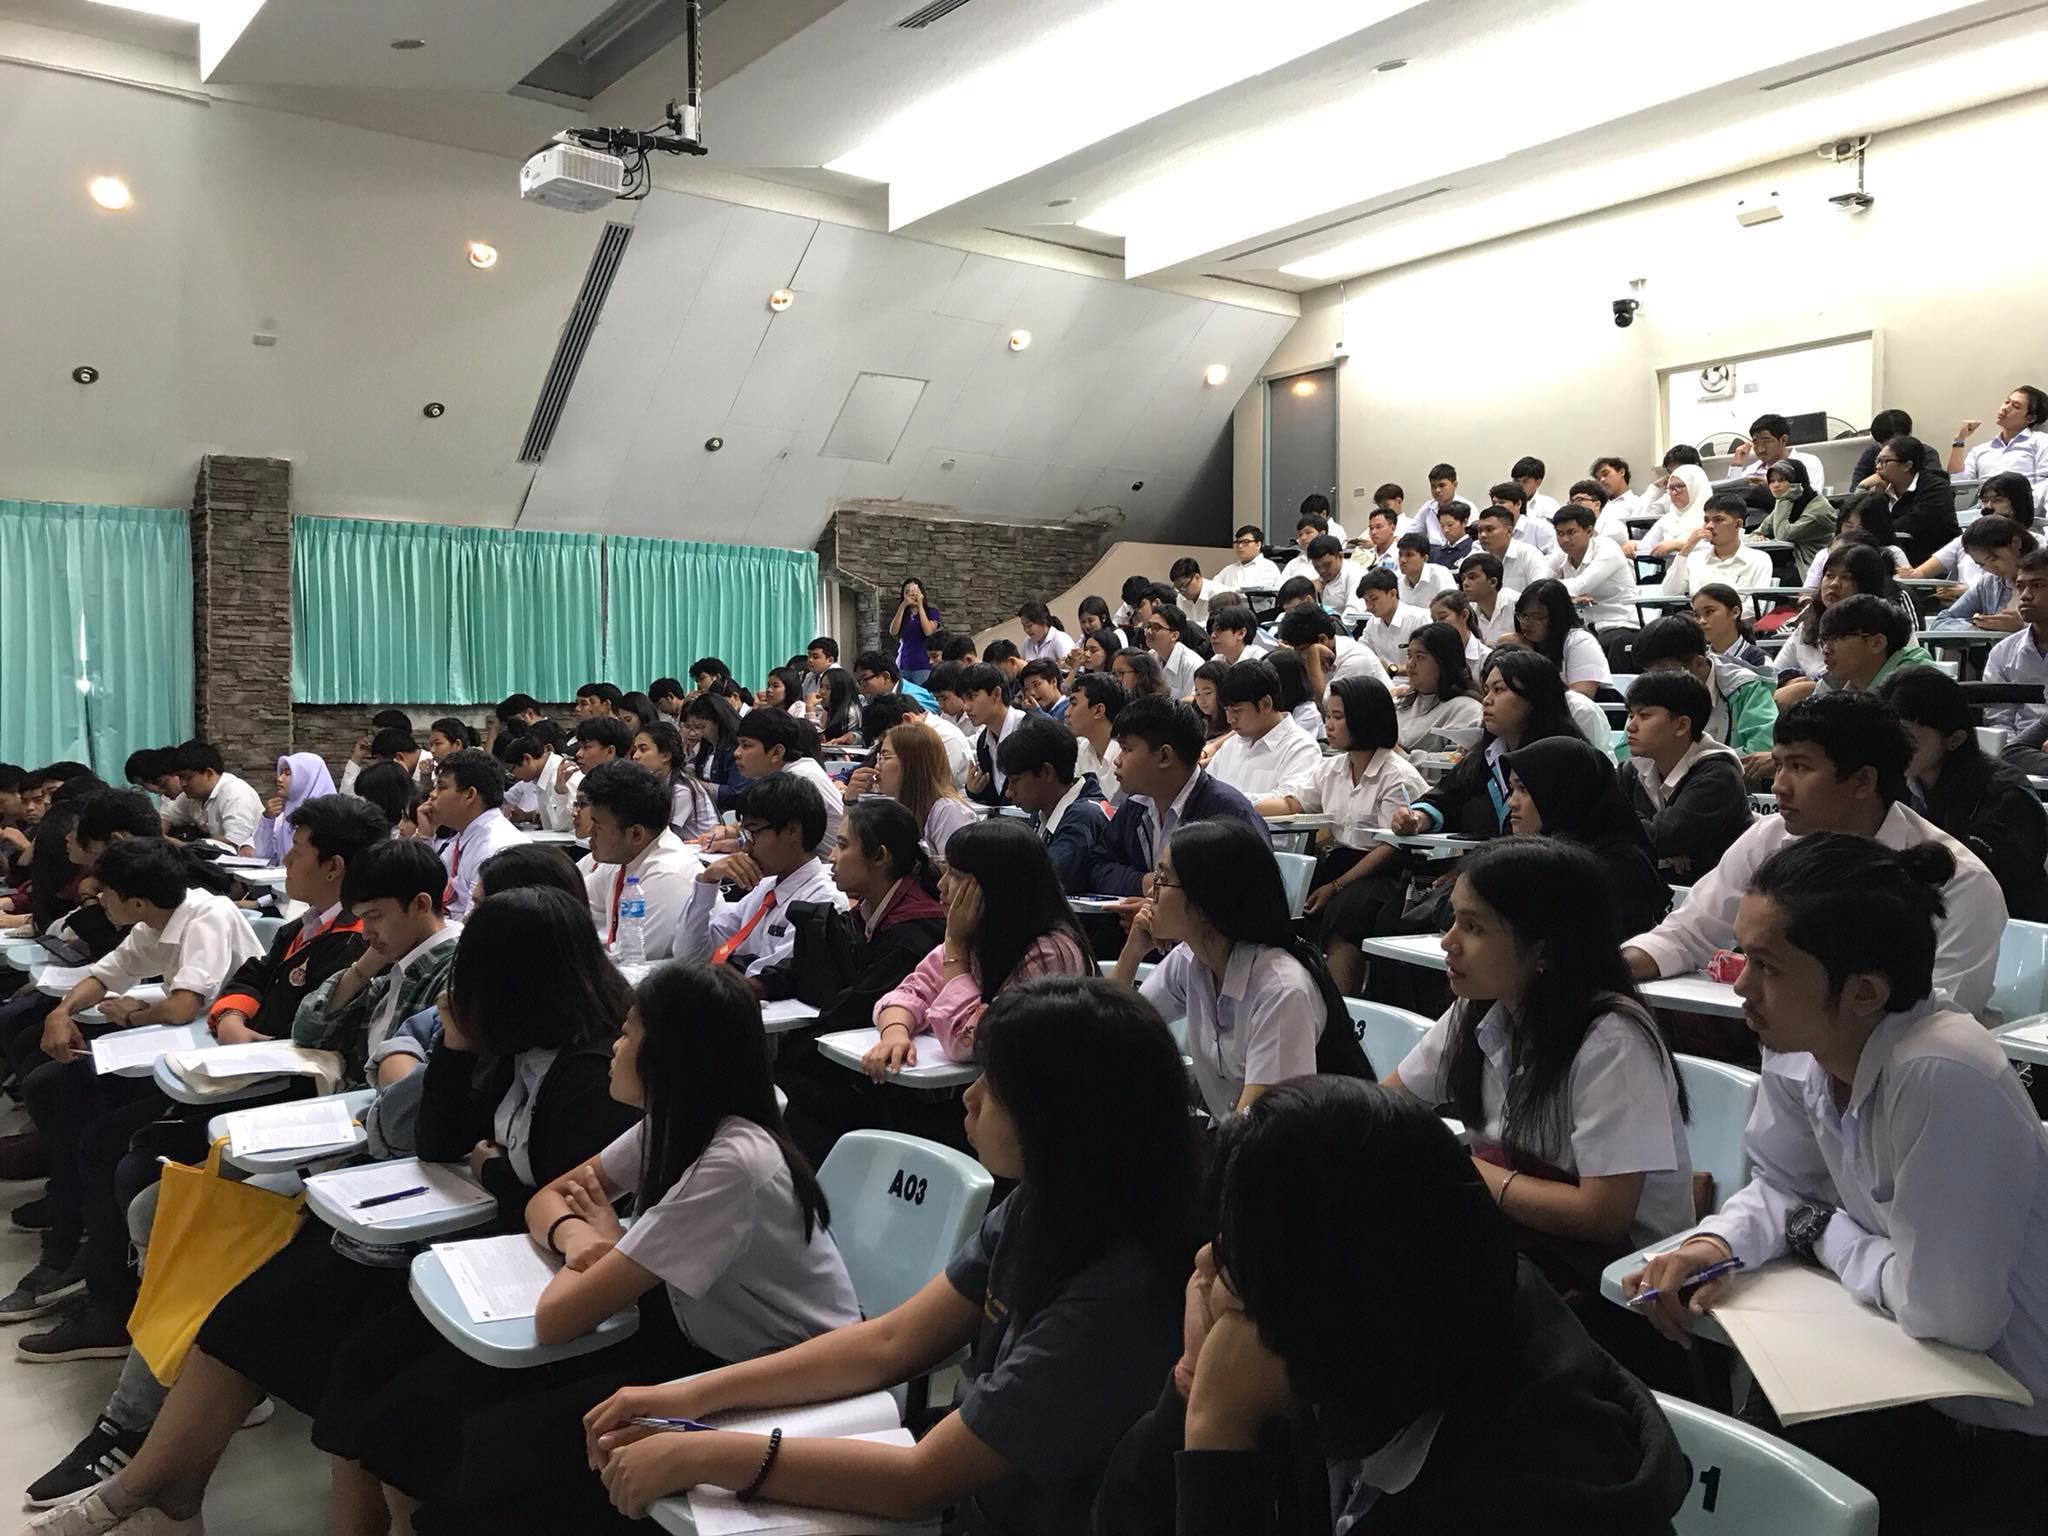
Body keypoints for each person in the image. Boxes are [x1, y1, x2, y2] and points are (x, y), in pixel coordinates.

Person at [33, 888, 638, 1536]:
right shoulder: (512, 1041)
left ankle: (148, 1485)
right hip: (450, 1229)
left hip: (507, 1268)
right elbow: (439, 1140)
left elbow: (559, 1199)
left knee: (359, 1372)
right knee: (253, 1308)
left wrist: (490, 1165)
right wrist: (457, 1049)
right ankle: (157, 1486)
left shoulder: (589, 1073)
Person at [586, 976, 1196, 1532]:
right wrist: (688, 1398)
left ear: (1064, 1118)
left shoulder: (1119, 1294)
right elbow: (890, 1342)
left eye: (995, 1086)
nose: (970, 1098)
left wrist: (702, 1453)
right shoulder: (1043, 1204)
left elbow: (921, 1483)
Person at [319, 962, 863, 1536]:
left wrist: (605, 1240)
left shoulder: (732, 1165)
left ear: (668, 1057)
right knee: (427, 1412)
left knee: (496, 1455)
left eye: (627, 1034)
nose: (614, 1047)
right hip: (704, 1345)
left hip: (779, 1385)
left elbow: (558, 1319)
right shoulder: (675, 1122)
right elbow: (551, 1197)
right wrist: (579, 1236)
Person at [1622, 834, 2048, 1534]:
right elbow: (1782, 1184)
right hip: (1895, 1371)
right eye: (1742, 956)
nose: (1739, 985)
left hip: (2004, 1419)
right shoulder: (1804, 1044)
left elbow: (1954, 1318)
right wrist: (1715, 1243)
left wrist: (1824, 1234)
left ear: (1864, 992)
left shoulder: (1942, 1073)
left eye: (1766, 966)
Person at [1092, 1076, 1690, 1535]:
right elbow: (1118, 1520)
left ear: (1332, 1298)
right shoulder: (1349, 1362)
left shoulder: (1530, 1489)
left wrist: (1217, 1433)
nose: (1206, 1264)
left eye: (1236, 1254)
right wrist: (1190, 1385)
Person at [1388, 837, 1693, 1260]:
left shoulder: (1613, 1040)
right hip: (1516, 1242)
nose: (1448, 942)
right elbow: (1390, 1105)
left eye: (1474, 927)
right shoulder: (1482, 1005)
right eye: (1453, 919)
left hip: (1612, 1274)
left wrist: (1457, 1169)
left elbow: (1603, 1216)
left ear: (1543, 949)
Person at [1622, 693, 2006, 1020]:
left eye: (1800, 767)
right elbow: (1690, 933)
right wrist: (1608, 970)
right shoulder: (1770, 836)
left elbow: (1935, 1014)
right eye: (1778, 765)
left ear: (1864, 781)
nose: (1779, 786)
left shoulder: (1961, 882)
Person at [1117, 817, 1373, 1121]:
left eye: (1162, 879)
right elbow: (1113, 1030)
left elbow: (1262, 1125)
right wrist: (1132, 953)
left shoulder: (1281, 989)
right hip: (1242, 1136)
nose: (1151, 892)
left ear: (1206, 901)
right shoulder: (1190, 959)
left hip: (1309, 1143)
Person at [864, 816, 1093, 1078]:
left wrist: (956, 949)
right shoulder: (981, 935)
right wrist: (895, 1033)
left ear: (998, 887)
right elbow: (911, 992)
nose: (941, 885)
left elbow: (968, 1041)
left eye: (956, 876)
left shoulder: (1049, 953)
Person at [1255, 676, 1425, 994]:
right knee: (1277, 900)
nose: (1328, 726)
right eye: (1327, 716)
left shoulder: (1397, 775)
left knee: (1346, 914)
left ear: (1364, 718)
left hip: (1385, 870)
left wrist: (1335, 886)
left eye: (1337, 717)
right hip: (1340, 861)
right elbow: (1294, 803)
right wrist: (1242, 804)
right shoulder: (1332, 768)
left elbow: (1391, 847)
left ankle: (1339, 1008)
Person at [1880, 666, 2048, 920]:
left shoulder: (2005, 797)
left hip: (2003, 923)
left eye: (1907, 735)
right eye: (1886, 733)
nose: (1891, 746)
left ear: (1955, 739)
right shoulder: (1895, 780)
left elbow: (1969, 881)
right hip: (1928, 917)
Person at [1390, 649, 1580, 842]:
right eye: (1486, 691)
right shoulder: (1488, 754)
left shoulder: (1566, 760)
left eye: (1499, 690)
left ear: (1534, 697)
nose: (1487, 700)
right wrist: (1417, 818)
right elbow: (1447, 797)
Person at [1089, 697, 1268, 897]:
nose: (1117, 760)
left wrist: (1163, 905)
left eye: (1126, 749)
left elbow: (1254, 897)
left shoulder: (1229, 813)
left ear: (1164, 756)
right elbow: (1098, 866)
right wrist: (1144, 884)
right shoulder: (1135, 805)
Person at [677, 773, 846, 981]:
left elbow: (765, 981)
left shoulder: (823, 901)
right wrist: (707, 882)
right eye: (744, 836)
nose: (746, 848)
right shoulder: (764, 888)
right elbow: (689, 955)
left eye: (753, 833)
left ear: (793, 831)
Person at [1503, 739, 1671, 939]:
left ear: (1563, 792)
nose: (1512, 802)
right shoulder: (1540, 857)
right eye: (1512, 789)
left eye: (1524, 789)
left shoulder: (1615, 870)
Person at [1618, 670, 1754, 881]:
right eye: (1630, 715)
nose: (1631, 726)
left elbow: (1663, 838)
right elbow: (1601, 820)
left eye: (1644, 716)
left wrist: (1658, 844)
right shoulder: (1633, 769)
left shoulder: (1718, 776)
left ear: (1682, 725)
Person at [578, 760, 704, 960]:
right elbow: (576, 906)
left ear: (636, 834)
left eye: (597, 825)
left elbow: (631, 962)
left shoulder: (668, 876)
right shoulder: (622, 857)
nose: (589, 832)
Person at [1630, 613, 1777, 766]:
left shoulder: (1745, 688)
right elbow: (1627, 751)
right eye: (1649, 672)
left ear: (1699, 663)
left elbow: (1761, 750)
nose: (1656, 681)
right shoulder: (1652, 684)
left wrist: (1695, 767)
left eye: (1665, 671)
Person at [421, 748, 528, 921]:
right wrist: (425, 837)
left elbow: (474, 925)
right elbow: (426, 885)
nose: (432, 795)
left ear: (469, 795)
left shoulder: (495, 848)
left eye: (441, 787)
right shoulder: (464, 835)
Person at [727, 709, 845, 854]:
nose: (737, 753)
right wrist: (729, 831)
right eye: (738, 744)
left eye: (746, 745)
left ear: (777, 753)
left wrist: (736, 843)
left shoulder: (798, 780)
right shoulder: (795, 770)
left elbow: (776, 847)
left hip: (827, 865)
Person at [1204, 660, 1322, 799]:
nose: (1230, 719)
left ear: (1266, 704)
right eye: (1226, 710)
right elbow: (1206, 790)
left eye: (1237, 710)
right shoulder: (1231, 745)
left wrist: (1228, 804)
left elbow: (1290, 802)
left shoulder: (1301, 747)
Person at [877, 721, 978, 860]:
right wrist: (850, 800)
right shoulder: (900, 806)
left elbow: (955, 869)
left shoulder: (948, 811)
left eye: (885, 757)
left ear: (912, 763)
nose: (877, 766)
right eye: (879, 757)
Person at [1812, 593, 1936, 699]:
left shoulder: (1918, 686)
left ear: (1877, 643)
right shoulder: (1830, 684)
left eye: (1838, 637)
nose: (1826, 650)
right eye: (1824, 640)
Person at [1660, 492, 1773, 600]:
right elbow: (1669, 594)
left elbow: (1758, 605)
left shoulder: (1759, 559)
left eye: (1718, 520)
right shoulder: (1695, 558)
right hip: (1698, 614)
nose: (1709, 526)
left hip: (1741, 614)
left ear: (1738, 524)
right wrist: (1686, 549)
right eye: (1706, 520)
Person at [1983, 547, 2048, 734]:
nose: (2025, 595)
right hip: (2018, 746)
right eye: (2020, 586)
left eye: (2037, 585)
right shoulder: (2003, 653)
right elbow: (1998, 721)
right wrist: (2013, 747)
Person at [159, 741, 262, 855]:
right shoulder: (192, 796)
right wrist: (158, 836)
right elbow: (167, 818)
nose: (182, 784)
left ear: (209, 773)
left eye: (188, 777)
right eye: (180, 778)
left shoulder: (236, 794)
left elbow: (234, 843)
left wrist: (184, 845)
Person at [1512, 579, 1612, 698]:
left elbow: (1582, 697)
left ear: (1557, 616)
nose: (1526, 623)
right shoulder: (1522, 642)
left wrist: (1533, 662)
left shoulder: (1581, 642)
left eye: (1537, 617)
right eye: (1523, 615)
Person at [1393, 621, 1483, 750]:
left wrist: (1396, 751)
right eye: (1409, 656)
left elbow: (1456, 760)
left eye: (1419, 657)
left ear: (1443, 661)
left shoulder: (1467, 710)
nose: (1410, 665)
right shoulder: (1404, 702)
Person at [1932, 514, 2032, 630]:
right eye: (1982, 565)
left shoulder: (2044, 576)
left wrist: (2022, 625)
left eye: (1994, 559)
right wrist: (1981, 626)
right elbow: (1942, 622)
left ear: (2016, 543)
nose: (1992, 569)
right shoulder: (1988, 583)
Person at [1947, 383, 2048, 496]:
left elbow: (2044, 486)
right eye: (2007, 402)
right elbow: (1959, 487)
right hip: (1984, 505)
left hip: (2023, 504)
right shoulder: (1980, 450)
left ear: (2030, 419)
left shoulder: (2041, 442)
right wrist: (1959, 440)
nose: (2005, 408)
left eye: (2016, 406)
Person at [1871, 437, 1959, 564]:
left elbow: (1915, 523)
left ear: (1907, 465)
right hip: (1895, 559)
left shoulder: (1936, 488)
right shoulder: (1881, 490)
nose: (1878, 467)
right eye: (1878, 461)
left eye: (1885, 461)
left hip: (1935, 560)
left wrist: (1876, 531)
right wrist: (1865, 491)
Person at [1547, 503, 1633, 632]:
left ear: (1589, 531)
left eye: (1571, 532)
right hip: (1583, 628)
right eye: (1560, 533)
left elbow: (1580, 586)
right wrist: (1570, 598)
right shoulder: (1561, 553)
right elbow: (1537, 586)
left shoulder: (1608, 548)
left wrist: (1554, 591)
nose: (1565, 540)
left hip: (1618, 624)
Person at [626, 720, 718, 841]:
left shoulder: (682, 789)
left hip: (700, 849)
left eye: (643, 749)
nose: (635, 756)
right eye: (635, 750)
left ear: (666, 755)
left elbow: (663, 835)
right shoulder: (655, 782)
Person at [1753, 459, 1837, 571]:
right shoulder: (1791, 503)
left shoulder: (1819, 509)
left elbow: (1783, 535)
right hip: (1792, 564)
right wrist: (1758, 535)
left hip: (1811, 568)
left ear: (1797, 481)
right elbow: (1763, 528)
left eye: (1782, 480)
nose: (1776, 485)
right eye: (1772, 481)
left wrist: (1784, 498)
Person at [1066, 671, 1126, 800]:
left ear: (1098, 710)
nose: (1067, 713)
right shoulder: (1082, 748)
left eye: (1074, 704)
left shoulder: (1126, 755)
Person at [1351, 568, 1425, 668]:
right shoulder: (1373, 622)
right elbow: (1361, 652)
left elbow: (1429, 664)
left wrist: (1393, 670)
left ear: (1393, 594)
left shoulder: (1419, 619)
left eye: (1374, 599)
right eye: (1366, 600)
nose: (1369, 607)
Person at [1730, 411, 1826, 488]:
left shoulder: (1808, 462)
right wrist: (1736, 465)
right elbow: (1730, 496)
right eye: (1755, 443)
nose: (1760, 450)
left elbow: (1812, 500)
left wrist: (1770, 489)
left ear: (1783, 440)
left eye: (1766, 441)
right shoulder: (1752, 470)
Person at [1637, 461, 1710, 558]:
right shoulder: (1668, 518)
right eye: (1671, 488)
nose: (1674, 493)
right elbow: (1646, 545)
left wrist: (1678, 545)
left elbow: (1719, 548)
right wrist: (1634, 545)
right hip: (1672, 567)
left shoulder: (1713, 518)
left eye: (1679, 487)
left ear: (1695, 486)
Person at [1689, 582, 1769, 670]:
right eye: (1696, 615)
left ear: (1735, 612)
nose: (1701, 621)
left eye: (1709, 612)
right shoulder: (1698, 660)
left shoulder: (1759, 659)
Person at [1471, 506, 1549, 593]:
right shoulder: (1477, 559)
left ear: (1509, 531)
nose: (1483, 535)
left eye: (1489, 529)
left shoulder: (1529, 555)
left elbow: (1542, 594)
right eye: (1480, 531)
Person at [1140, 604, 1205, 698]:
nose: (1149, 632)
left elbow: (1192, 702)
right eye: (1148, 626)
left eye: (1156, 627)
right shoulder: (1150, 657)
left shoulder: (1192, 664)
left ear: (1174, 635)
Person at [1457, 552, 1521, 645]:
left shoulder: (1517, 604)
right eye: (1463, 578)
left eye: (1472, 577)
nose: (1465, 583)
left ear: (1493, 582)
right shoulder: (1467, 611)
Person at [891, 577, 941, 683]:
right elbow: (893, 631)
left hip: (923, 665)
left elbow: (928, 632)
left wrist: (920, 606)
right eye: (907, 592)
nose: (911, 595)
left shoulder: (931, 612)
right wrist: (903, 606)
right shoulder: (903, 614)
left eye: (915, 592)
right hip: (903, 664)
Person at [1209, 525, 1281, 597]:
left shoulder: (1268, 567)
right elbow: (1212, 589)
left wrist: (1223, 591)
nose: (1240, 546)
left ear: (1258, 545)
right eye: (1238, 542)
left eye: (1245, 542)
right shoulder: (1229, 569)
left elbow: (1253, 596)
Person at [1394, 532, 1455, 607]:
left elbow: (1452, 609)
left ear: (1425, 558)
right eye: (1400, 555)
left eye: (1409, 555)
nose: (1402, 560)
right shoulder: (1396, 578)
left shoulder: (1441, 574)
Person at [1016, 601, 1075, 669]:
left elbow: (1072, 668)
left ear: (1043, 621)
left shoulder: (1061, 639)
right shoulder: (1027, 642)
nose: (1026, 630)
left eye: (1029, 625)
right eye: (1024, 626)